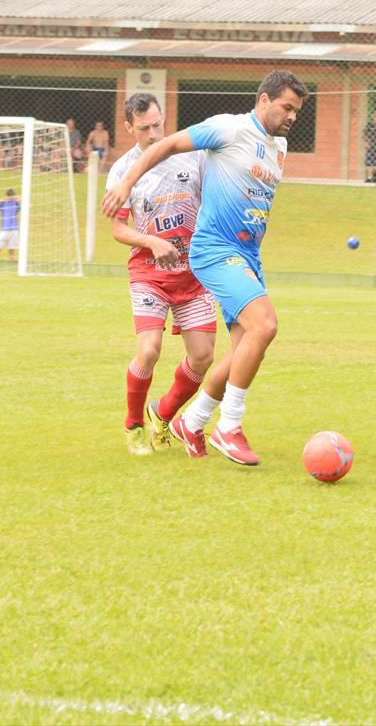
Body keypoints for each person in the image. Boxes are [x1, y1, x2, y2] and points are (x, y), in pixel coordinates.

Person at [102, 69, 307, 466]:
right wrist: (126, 183)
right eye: (287, 107)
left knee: (240, 346)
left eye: (296, 110)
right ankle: (226, 427)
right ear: (264, 100)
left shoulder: (278, 145)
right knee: (263, 326)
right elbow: (168, 147)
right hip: (212, 251)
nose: (292, 116)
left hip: (243, 257)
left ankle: (185, 420)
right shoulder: (226, 129)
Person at [104, 93, 217, 456]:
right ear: (128, 128)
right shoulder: (122, 171)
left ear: (164, 117)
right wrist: (151, 241)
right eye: (143, 128)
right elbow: (119, 230)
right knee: (149, 350)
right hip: (149, 272)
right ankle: (134, 424)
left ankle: (163, 413)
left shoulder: (194, 155)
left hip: (194, 272)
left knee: (203, 358)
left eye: (157, 125)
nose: (153, 134)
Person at [0, 189, 21, 259]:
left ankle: (11, 257)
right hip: (4, 228)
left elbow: (21, 198)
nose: (10, 197)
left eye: (11, 195)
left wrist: (16, 198)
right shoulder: (3, 204)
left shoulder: (16, 204)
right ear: (7, 196)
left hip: (14, 228)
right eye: (9, 196)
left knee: (12, 246)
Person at [363, 109, 376, 182]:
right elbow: (364, 134)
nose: (375, 116)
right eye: (374, 114)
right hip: (371, 146)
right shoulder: (369, 125)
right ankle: (369, 178)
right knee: (369, 162)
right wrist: (366, 142)